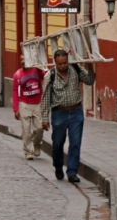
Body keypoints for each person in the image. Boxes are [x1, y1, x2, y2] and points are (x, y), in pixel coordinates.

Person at [41, 48, 95, 183]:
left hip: (76, 111)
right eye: (60, 64)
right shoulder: (50, 76)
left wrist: (90, 65)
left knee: (75, 143)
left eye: (65, 63)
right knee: (58, 143)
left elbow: (89, 80)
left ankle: (72, 172)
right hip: (59, 113)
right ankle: (58, 166)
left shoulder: (75, 69)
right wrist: (45, 118)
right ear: (55, 63)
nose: (63, 66)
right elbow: (46, 98)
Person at [12, 62, 45, 161]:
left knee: (39, 128)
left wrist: (39, 67)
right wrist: (16, 109)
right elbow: (14, 91)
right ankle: (28, 152)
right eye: (21, 60)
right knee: (26, 130)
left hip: (38, 103)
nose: (23, 62)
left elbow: (44, 76)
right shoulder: (17, 75)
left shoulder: (36, 70)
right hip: (24, 104)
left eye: (25, 59)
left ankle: (37, 144)